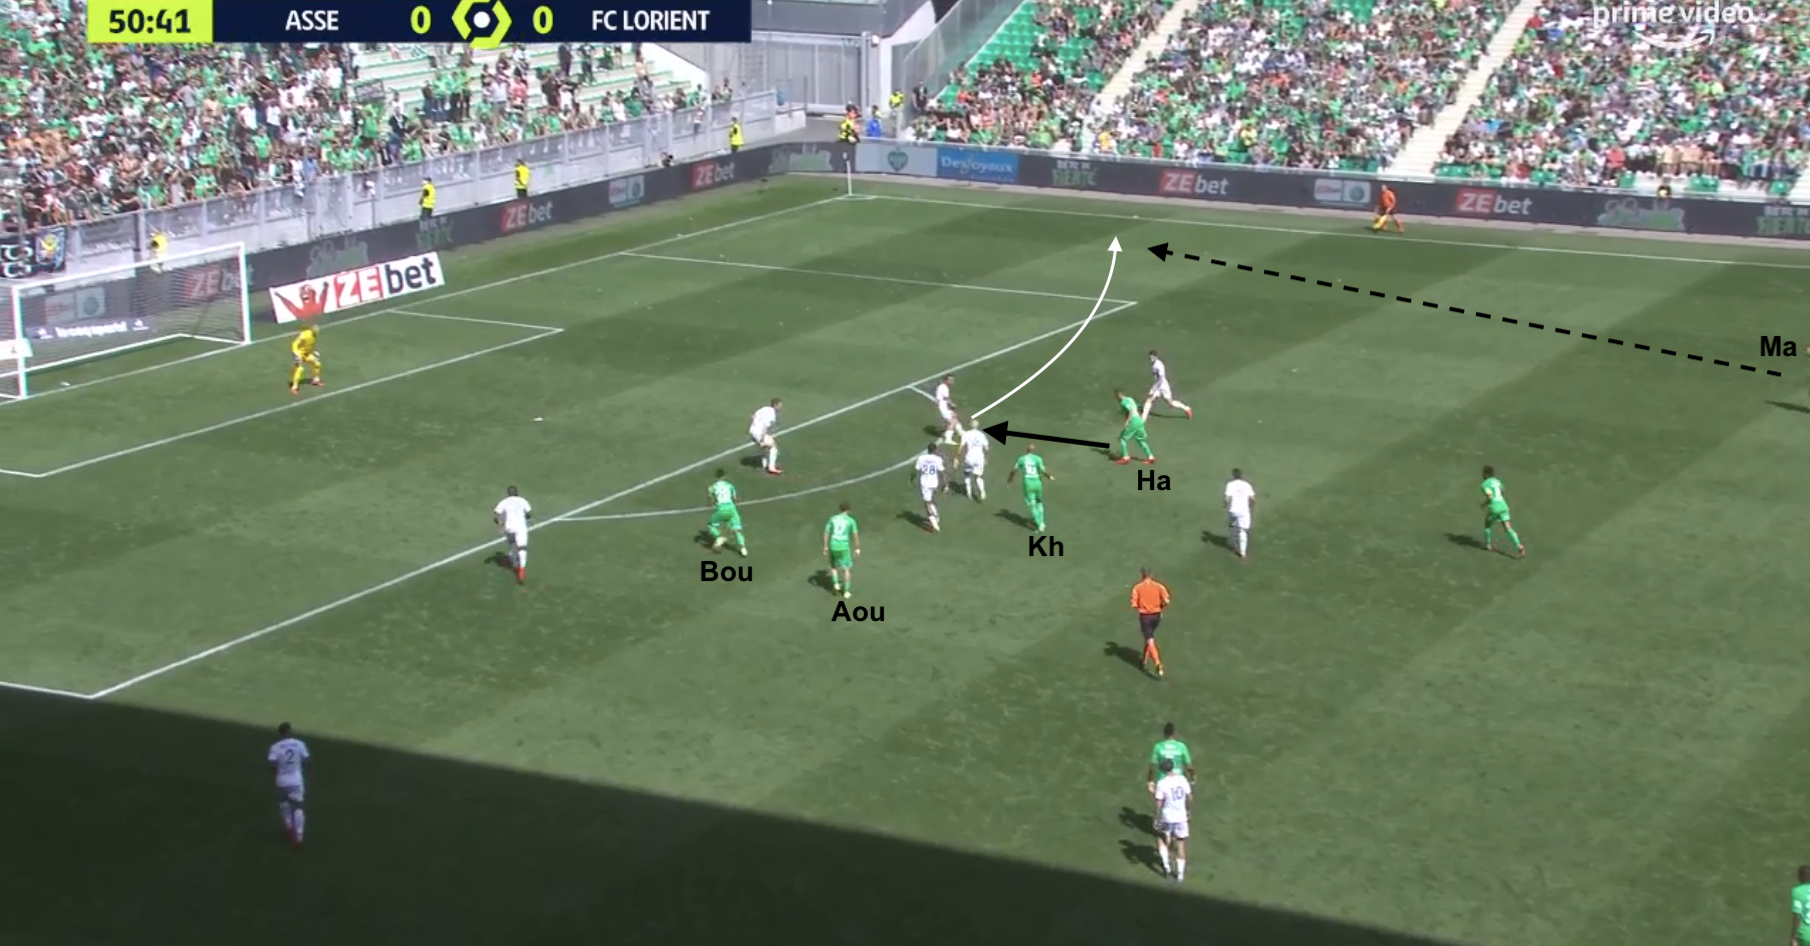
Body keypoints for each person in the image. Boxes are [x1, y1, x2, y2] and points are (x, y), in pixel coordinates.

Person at [268, 722, 311, 848]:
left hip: (281, 780)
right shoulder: (299, 744)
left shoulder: (275, 747)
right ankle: (299, 837)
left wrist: (276, 774)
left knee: (284, 803)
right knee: (298, 807)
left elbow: (271, 764)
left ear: (280, 733)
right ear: (290, 731)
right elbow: (308, 760)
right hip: (296, 780)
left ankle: (288, 826)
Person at [1151, 757, 1191, 883]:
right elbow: (1189, 796)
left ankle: (1166, 866)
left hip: (1167, 817)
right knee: (1180, 845)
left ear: (1162, 770)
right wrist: (1188, 810)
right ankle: (1180, 875)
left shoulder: (1162, 783)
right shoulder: (1182, 779)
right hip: (1181, 817)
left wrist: (1155, 817)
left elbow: (1158, 802)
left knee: (1161, 838)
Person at [1130, 567, 1170, 678]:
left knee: (1150, 640)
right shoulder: (1159, 586)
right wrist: (1160, 608)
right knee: (1148, 637)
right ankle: (1144, 660)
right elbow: (1167, 601)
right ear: (1152, 575)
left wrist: (1142, 606)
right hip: (1157, 616)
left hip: (1145, 617)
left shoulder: (1137, 588)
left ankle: (1158, 663)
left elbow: (1134, 604)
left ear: (1142, 575)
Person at [1479, 465, 1525, 558]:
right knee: (1508, 528)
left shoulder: (1484, 484)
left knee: (1487, 524)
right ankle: (1519, 545)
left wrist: (1483, 505)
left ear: (1485, 474)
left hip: (1494, 507)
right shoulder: (1497, 481)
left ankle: (1488, 545)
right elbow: (1503, 491)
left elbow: (1489, 496)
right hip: (1503, 506)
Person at [1005, 443, 1051, 533]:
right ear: (1033, 450)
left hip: (1028, 483)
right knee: (1039, 502)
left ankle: (1039, 525)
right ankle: (1042, 522)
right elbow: (1043, 470)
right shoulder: (1038, 458)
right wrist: (1050, 477)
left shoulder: (1021, 459)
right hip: (1037, 482)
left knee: (1032, 505)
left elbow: (1014, 470)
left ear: (1026, 450)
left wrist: (1009, 481)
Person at [494, 484, 532, 584]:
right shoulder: (523, 500)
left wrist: (500, 523)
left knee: (512, 546)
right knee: (522, 548)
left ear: (508, 494)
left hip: (510, 528)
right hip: (521, 528)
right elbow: (529, 514)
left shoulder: (504, 502)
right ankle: (521, 573)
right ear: (517, 493)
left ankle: (514, 564)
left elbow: (496, 515)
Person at [705, 469, 747, 556]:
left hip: (721, 509)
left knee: (711, 525)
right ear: (724, 476)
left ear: (716, 476)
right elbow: (735, 499)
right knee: (737, 530)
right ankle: (743, 548)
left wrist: (711, 504)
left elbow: (710, 499)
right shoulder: (730, 486)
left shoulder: (712, 487)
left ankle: (719, 537)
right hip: (732, 509)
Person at [823, 501, 860, 599]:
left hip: (833, 545)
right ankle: (846, 592)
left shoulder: (832, 519)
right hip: (844, 547)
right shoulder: (851, 521)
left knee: (833, 567)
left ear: (839, 509)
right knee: (846, 569)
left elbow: (826, 532)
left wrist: (825, 546)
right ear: (848, 510)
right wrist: (857, 547)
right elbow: (855, 535)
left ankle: (836, 584)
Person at [1142, 350, 1193, 420]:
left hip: (1163, 386)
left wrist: (1154, 389)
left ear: (1156, 357)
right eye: (1150, 357)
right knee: (1149, 400)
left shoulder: (1159, 365)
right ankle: (1143, 419)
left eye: (1152, 357)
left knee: (1171, 403)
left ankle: (1187, 408)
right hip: (1157, 385)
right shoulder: (1153, 365)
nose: (1151, 359)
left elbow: (1161, 379)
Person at [1146, 722, 1195, 793]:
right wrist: (1192, 779)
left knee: (1159, 799)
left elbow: (1152, 767)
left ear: (1164, 733)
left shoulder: (1158, 746)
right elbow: (1189, 767)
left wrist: (1150, 781)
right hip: (1179, 782)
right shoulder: (1182, 746)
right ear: (1174, 733)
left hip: (1163, 782)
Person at [913, 442, 947, 533]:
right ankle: (935, 517)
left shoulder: (921, 458)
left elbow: (916, 470)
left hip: (925, 483)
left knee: (927, 503)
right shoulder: (938, 459)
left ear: (928, 450)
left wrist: (912, 478)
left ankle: (934, 521)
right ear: (935, 450)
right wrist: (945, 484)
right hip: (934, 482)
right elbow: (942, 472)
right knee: (931, 500)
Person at [1114, 389, 1153, 465]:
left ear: (1119, 395)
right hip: (1139, 420)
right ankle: (1151, 457)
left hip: (1133, 421)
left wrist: (1127, 421)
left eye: (1117, 396)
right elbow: (1135, 408)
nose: (1117, 398)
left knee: (1122, 439)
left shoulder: (1124, 402)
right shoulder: (1130, 399)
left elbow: (1131, 410)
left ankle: (1126, 458)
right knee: (1141, 440)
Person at [1224, 468, 1256, 561]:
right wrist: (1252, 507)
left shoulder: (1230, 484)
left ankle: (1232, 545)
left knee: (1232, 527)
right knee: (1243, 531)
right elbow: (1253, 499)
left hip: (1233, 510)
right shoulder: (1247, 485)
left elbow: (1227, 498)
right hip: (1244, 511)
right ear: (1241, 475)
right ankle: (1243, 553)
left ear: (1233, 475)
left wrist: (1224, 505)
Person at [958, 416, 990, 501]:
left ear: (970, 425)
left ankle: (969, 493)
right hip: (979, 458)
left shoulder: (966, 434)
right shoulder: (982, 435)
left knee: (967, 474)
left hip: (970, 458)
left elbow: (961, 447)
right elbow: (987, 448)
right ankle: (982, 490)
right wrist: (986, 458)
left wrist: (957, 457)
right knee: (978, 477)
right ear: (978, 426)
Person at [749, 398, 782, 475]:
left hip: (752, 431)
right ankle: (771, 468)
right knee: (773, 448)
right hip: (759, 433)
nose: (780, 407)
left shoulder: (764, 408)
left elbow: (753, 416)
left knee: (767, 446)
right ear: (775, 405)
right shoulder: (772, 414)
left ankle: (764, 465)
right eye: (779, 406)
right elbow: (765, 427)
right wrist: (762, 439)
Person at [288, 324, 322, 395]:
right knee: (300, 369)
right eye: (316, 330)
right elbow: (295, 343)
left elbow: (310, 344)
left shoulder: (315, 335)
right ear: (312, 330)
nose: (317, 331)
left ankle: (315, 380)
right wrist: (296, 353)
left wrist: (313, 351)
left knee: (317, 364)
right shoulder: (304, 335)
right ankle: (294, 387)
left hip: (307, 354)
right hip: (299, 355)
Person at [933, 374, 963, 445]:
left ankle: (961, 432)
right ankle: (948, 439)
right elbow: (946, 398)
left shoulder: (943, 386)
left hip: (944, 407)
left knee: (954, 416)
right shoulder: (944, 387)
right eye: (950, 380)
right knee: (952, 421)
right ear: (946, 380)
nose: (952, 381)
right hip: (943, 408)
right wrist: (952, 404)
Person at [1790, 864, 1810, 946]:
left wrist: (1793, 938)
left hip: (1806, 936)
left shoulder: (1797, 891)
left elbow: (1797, 915)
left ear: (1800, 877)